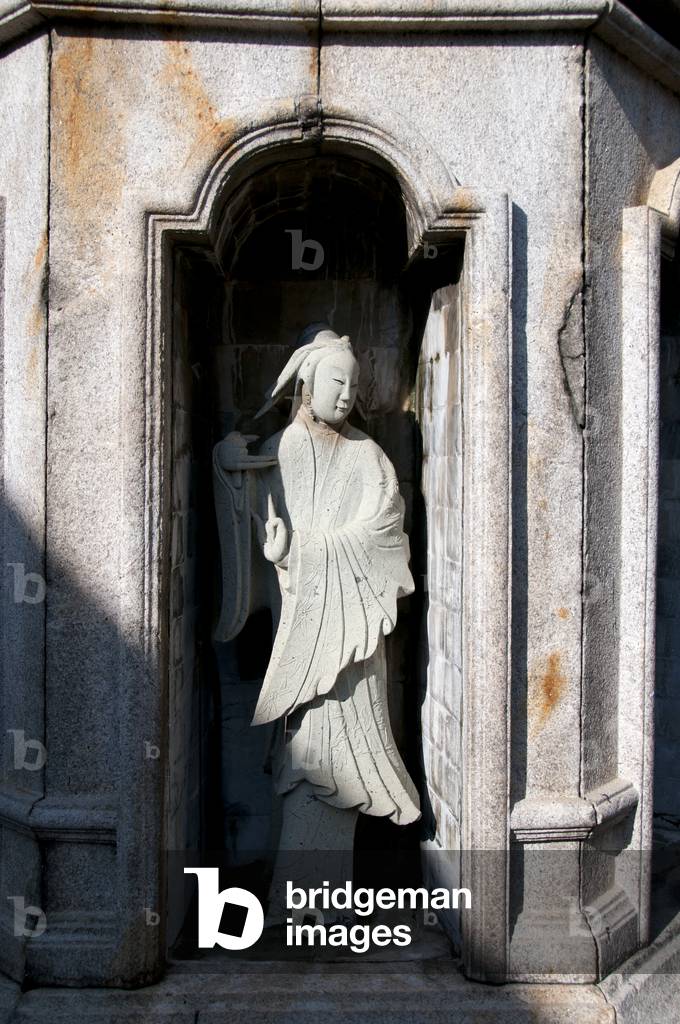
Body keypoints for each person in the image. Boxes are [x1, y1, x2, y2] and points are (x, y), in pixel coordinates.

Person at [213, 323, 420, 917]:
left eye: (354, 384)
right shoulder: (284, 449)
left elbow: (385, 534)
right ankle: (302, 903)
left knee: (334, 766)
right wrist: (229, 473)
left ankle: (315, 906)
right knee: (304, 759)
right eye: (335, 381)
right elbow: (252, 512)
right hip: (300, 627)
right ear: (307, 383)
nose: (346, 394)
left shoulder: (368, 456)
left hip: (352, 641)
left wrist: (304, 552)